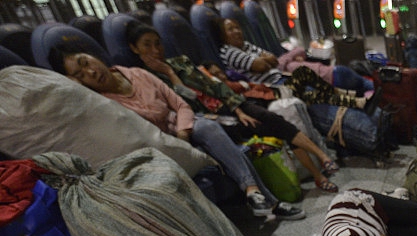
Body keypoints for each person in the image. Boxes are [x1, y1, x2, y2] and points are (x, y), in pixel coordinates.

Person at [55, 50, 304, 220]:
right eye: (80, 75)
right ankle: (268, 202)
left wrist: (183, 135)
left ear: (93, 55)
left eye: (85, 63)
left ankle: (254, 192)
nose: (90, 72)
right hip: (160, 146)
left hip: (185, 128)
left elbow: (180, 104)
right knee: (216, 137)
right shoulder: (104, 104)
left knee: (208, 128)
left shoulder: (137, 73)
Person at [126, 23, 339, 192]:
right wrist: (170, 74)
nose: (155, 50)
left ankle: (322, 160)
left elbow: (214, 86)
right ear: (134, 48)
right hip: (206, 118)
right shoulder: (145, 79)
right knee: (269, 126)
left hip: (228, 104)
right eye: (147, 45)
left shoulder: (181, 61)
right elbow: (185, 102)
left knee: (273, 119)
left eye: (158, 43)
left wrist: (238, 109)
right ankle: (318, 174)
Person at [212, 17, 372, 95]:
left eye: (237, 27)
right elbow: (264, 64)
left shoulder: (246, 45)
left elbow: (272, 60)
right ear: (223, 36)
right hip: (278, 83)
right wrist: (267, 61)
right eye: (230, 29)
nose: (237, 31)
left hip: (287, 77)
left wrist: (266, 61)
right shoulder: (229, 51)